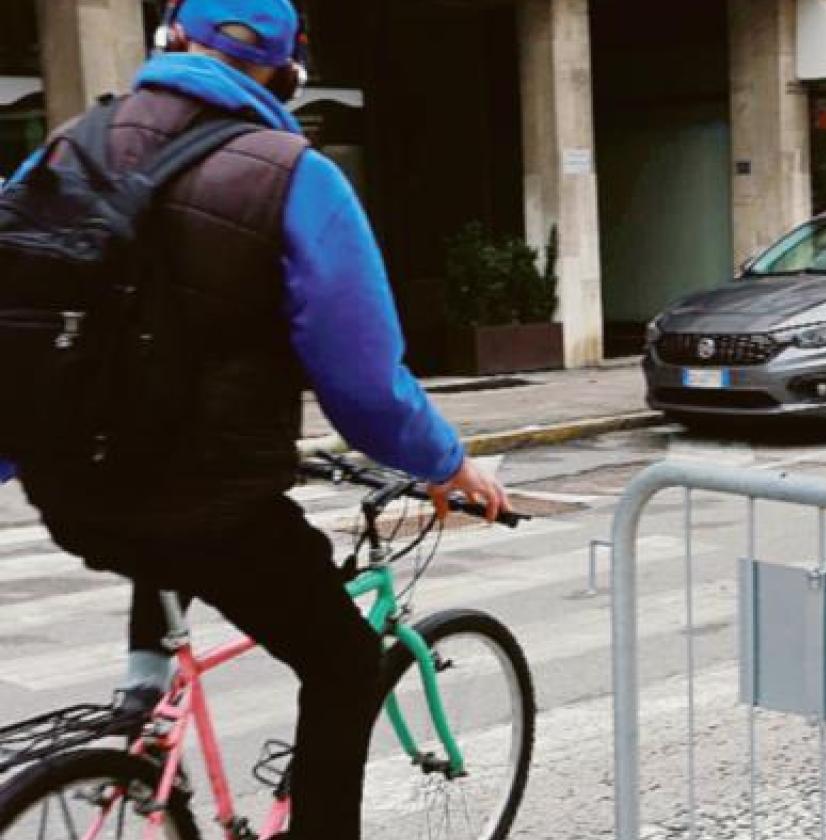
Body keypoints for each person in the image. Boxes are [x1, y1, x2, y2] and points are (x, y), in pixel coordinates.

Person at [0, 1, 509, 837]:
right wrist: (448, 464)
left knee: (153, 529)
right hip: (207, 502)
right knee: (345, 664)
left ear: (170, 41)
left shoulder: (65, 148)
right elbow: (367, 389)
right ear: (290, 70)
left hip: (71, 488)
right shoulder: (297, 176)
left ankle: (141, 709)